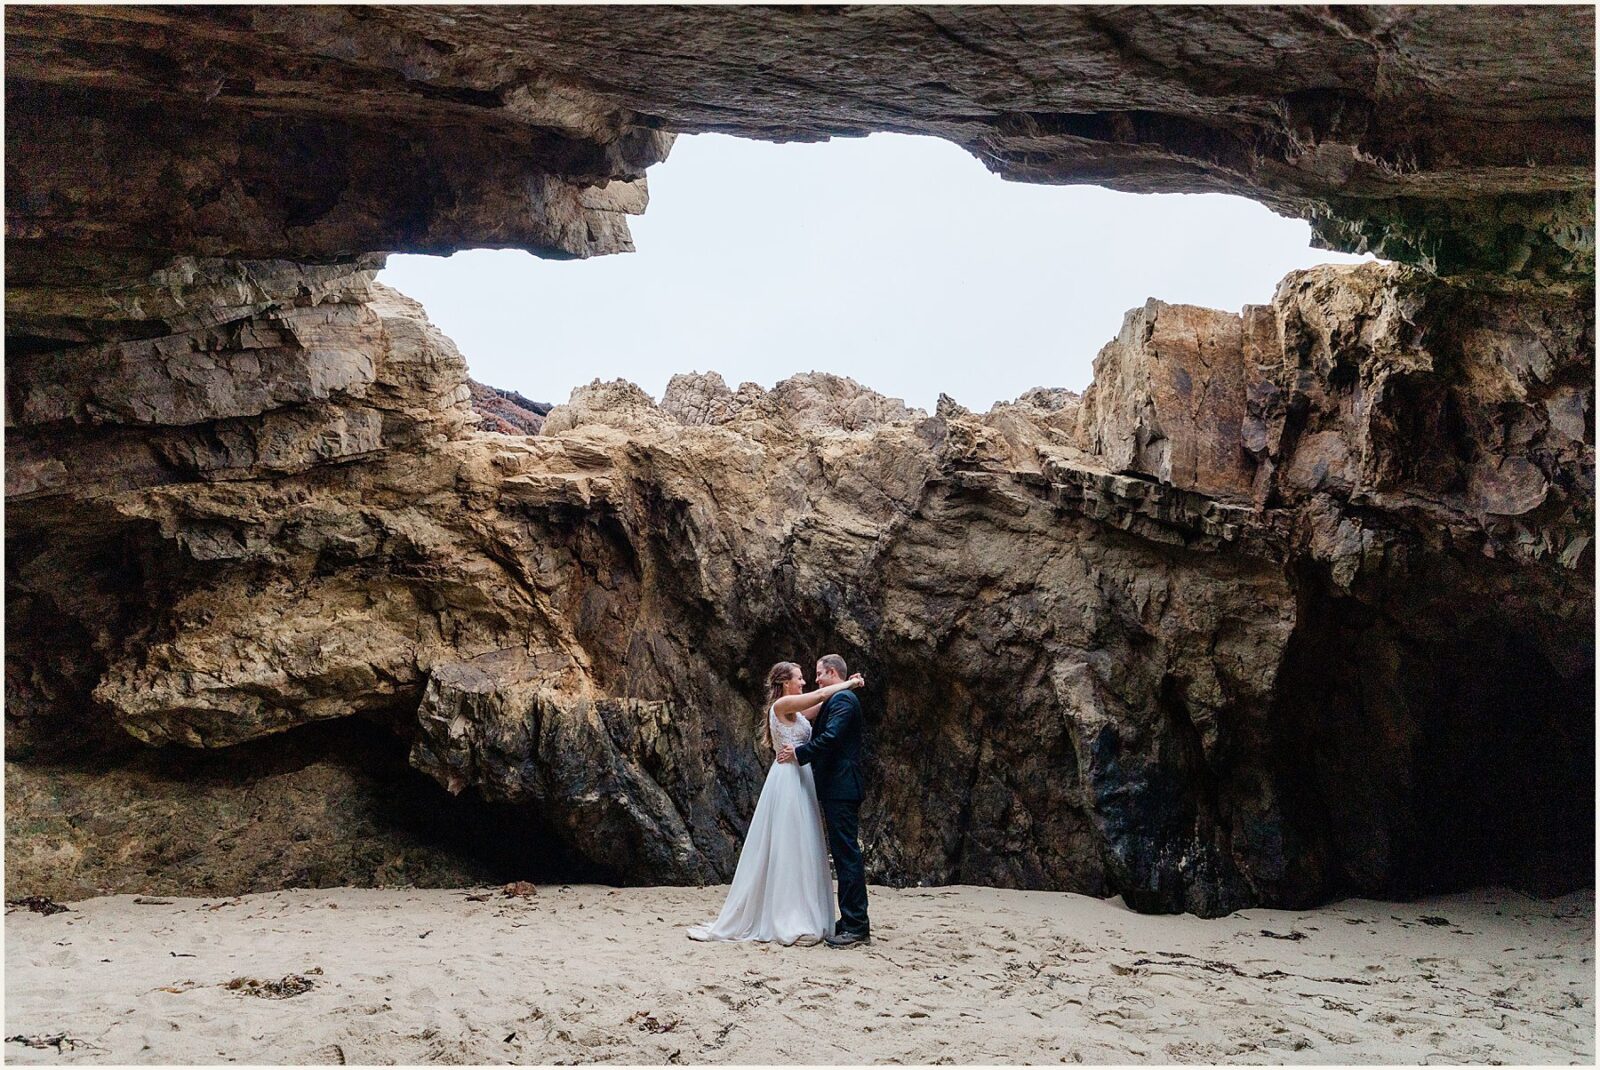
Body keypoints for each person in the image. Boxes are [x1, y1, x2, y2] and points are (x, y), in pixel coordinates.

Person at [686, 660, 865, 945]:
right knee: (788, 843)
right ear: (785, 683)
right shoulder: (782, 706)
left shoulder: (797, 709)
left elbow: (822, 705)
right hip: (788, 778)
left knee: (804, 843)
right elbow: (820, 697)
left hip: (803, 777)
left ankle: (817, 913)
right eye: (800, 678)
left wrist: (844, 685)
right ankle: (788, 913)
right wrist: (851, 683)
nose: (806, 681)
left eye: (814, 676)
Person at [777, 653, 871, 947]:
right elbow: (816, 704)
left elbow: (830, 737)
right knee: (844, 855)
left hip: (842, 787)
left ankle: (856, 925)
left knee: (847, 856)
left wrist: (800, 754)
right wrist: (851, 684)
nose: (814, 679)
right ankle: (850, 918)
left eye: (818, 673)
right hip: (836, 787)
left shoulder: (842, 702)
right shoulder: (837, 698)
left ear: (831, 672)